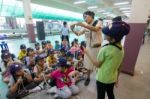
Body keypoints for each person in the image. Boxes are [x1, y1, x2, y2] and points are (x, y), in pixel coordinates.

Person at [83, 17, 130, 99]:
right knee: (110, 93)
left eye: (106, 34)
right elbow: (120, 65)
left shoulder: (105, 49)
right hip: (112, 78)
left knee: (100, 96)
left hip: (102, 79)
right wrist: (117, 78)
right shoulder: (121, 48)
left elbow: (97, 65)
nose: (103, 34)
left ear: (113, 38)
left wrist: (87, 53)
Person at [70, 11, 103, 86]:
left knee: (98, 65)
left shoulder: (98, 22)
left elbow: (95, 29)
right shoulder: (86, 25)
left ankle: (99, 79)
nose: (84, 18)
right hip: (88, 48)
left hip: (97, 48)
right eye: (83, 17)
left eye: (86, 16)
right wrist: (72, 29)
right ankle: (88, 78)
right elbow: (78, 34)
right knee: (88, 65)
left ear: (91, 16)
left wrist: (84, 25)